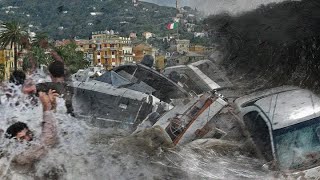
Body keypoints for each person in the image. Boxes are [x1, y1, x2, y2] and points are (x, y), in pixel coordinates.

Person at [5, 90, 58, 165]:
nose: (28, 138)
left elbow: (54, 127)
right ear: (14, 142)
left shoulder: (34, 141)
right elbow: (47, 140)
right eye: (22, 138)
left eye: (28, 133)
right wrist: (46, 107)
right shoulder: (20, 156)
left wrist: (52, 105)